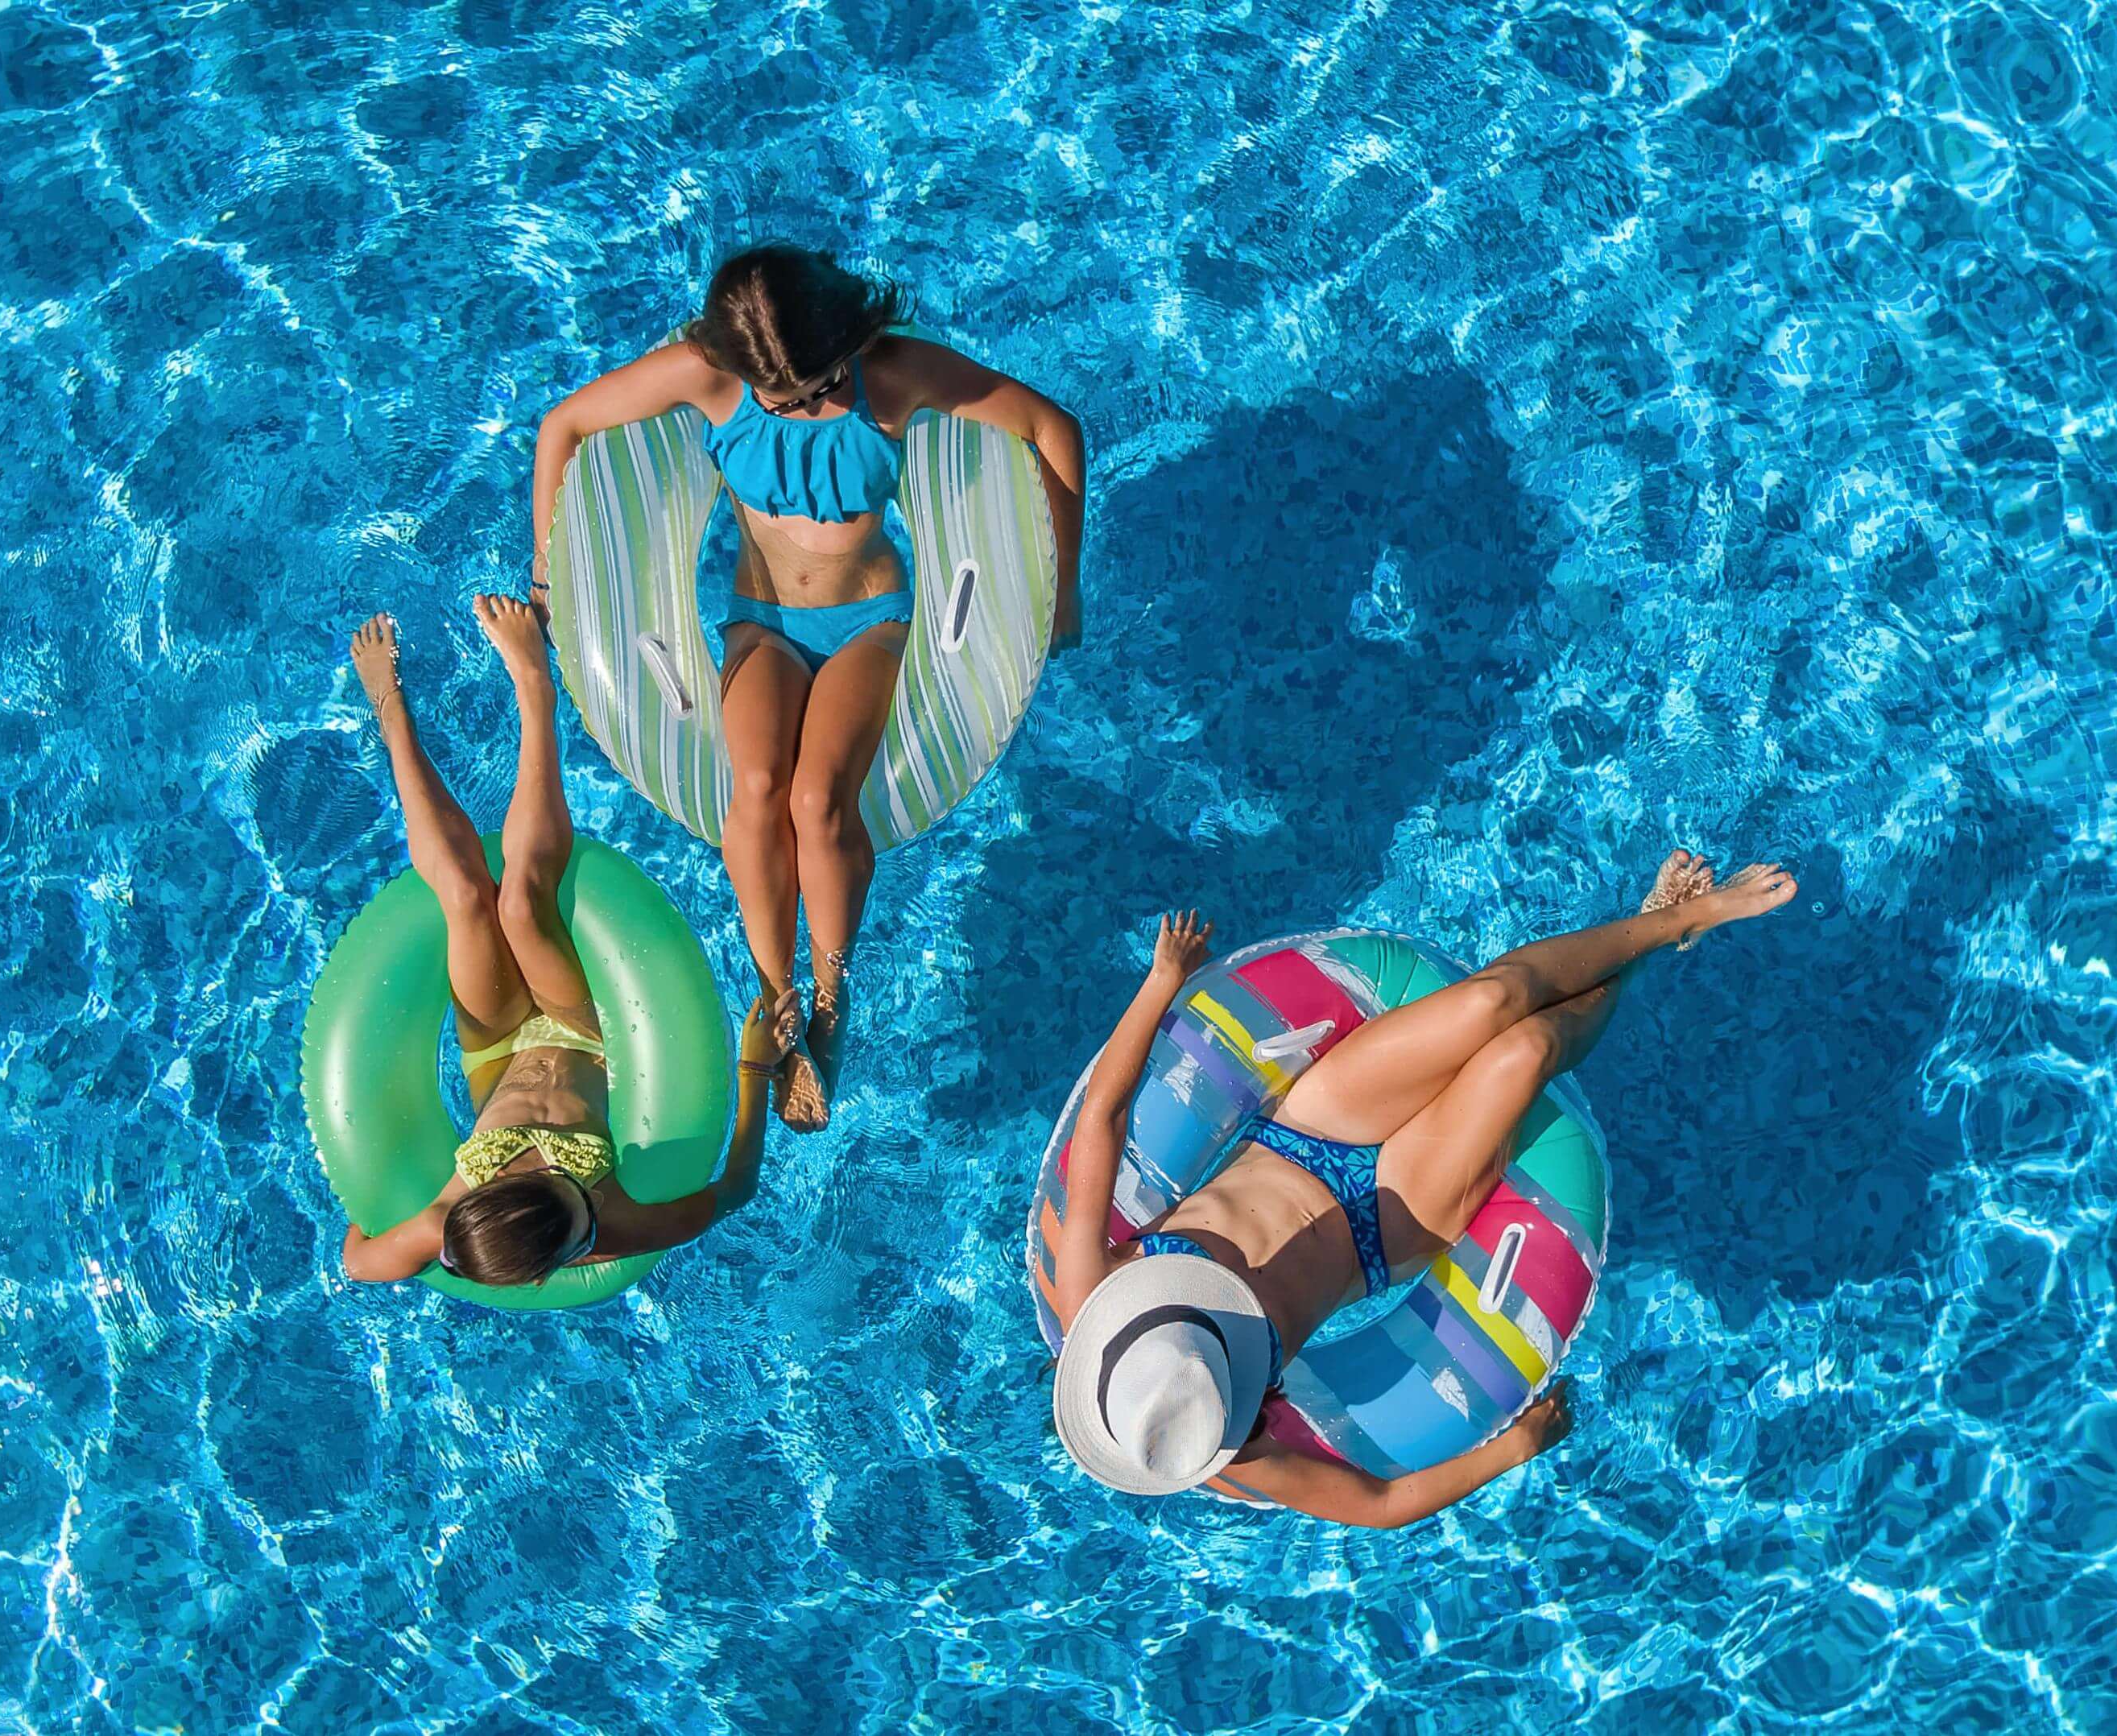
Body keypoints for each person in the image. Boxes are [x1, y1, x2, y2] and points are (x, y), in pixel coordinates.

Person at [1042, 852, 1798, 1525]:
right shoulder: (1224, 1435)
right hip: (1386, 1226)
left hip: (1307, 1130)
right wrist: (1513, 1450)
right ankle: (1649, 945)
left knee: (1492, 1002)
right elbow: (1379, 1506)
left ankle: (1681, 919)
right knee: (1528, 1049)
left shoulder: (1090, 1286)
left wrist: (1162, 981)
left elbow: (1103, 1117)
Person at [526, 245, 1089, 1134]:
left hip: (870, 623)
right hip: (762, 623)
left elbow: (1052, 428)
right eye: (784, 401)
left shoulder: (891, 375)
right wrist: (546, 574)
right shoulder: (710, 377)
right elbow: (563, 426)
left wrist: (1065, 585)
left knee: (819, 798)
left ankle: (831, 999)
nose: (808, 407)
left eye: (823, 388)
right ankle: (774, 995)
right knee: (754, 786)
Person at [337, 597, 780, 1287]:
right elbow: (735, 1191)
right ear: (567, 1254)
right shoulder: (618, 1226)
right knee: (520, 902)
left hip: (496, 1045)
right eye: (573, 1197)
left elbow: (359, 1263)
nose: (552, 1175)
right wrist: (755, 1068)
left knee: (467, 897)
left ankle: (392, 714)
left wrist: (369, 1187)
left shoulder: (444, 1222)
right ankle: (534, 688)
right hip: (584, 1035)